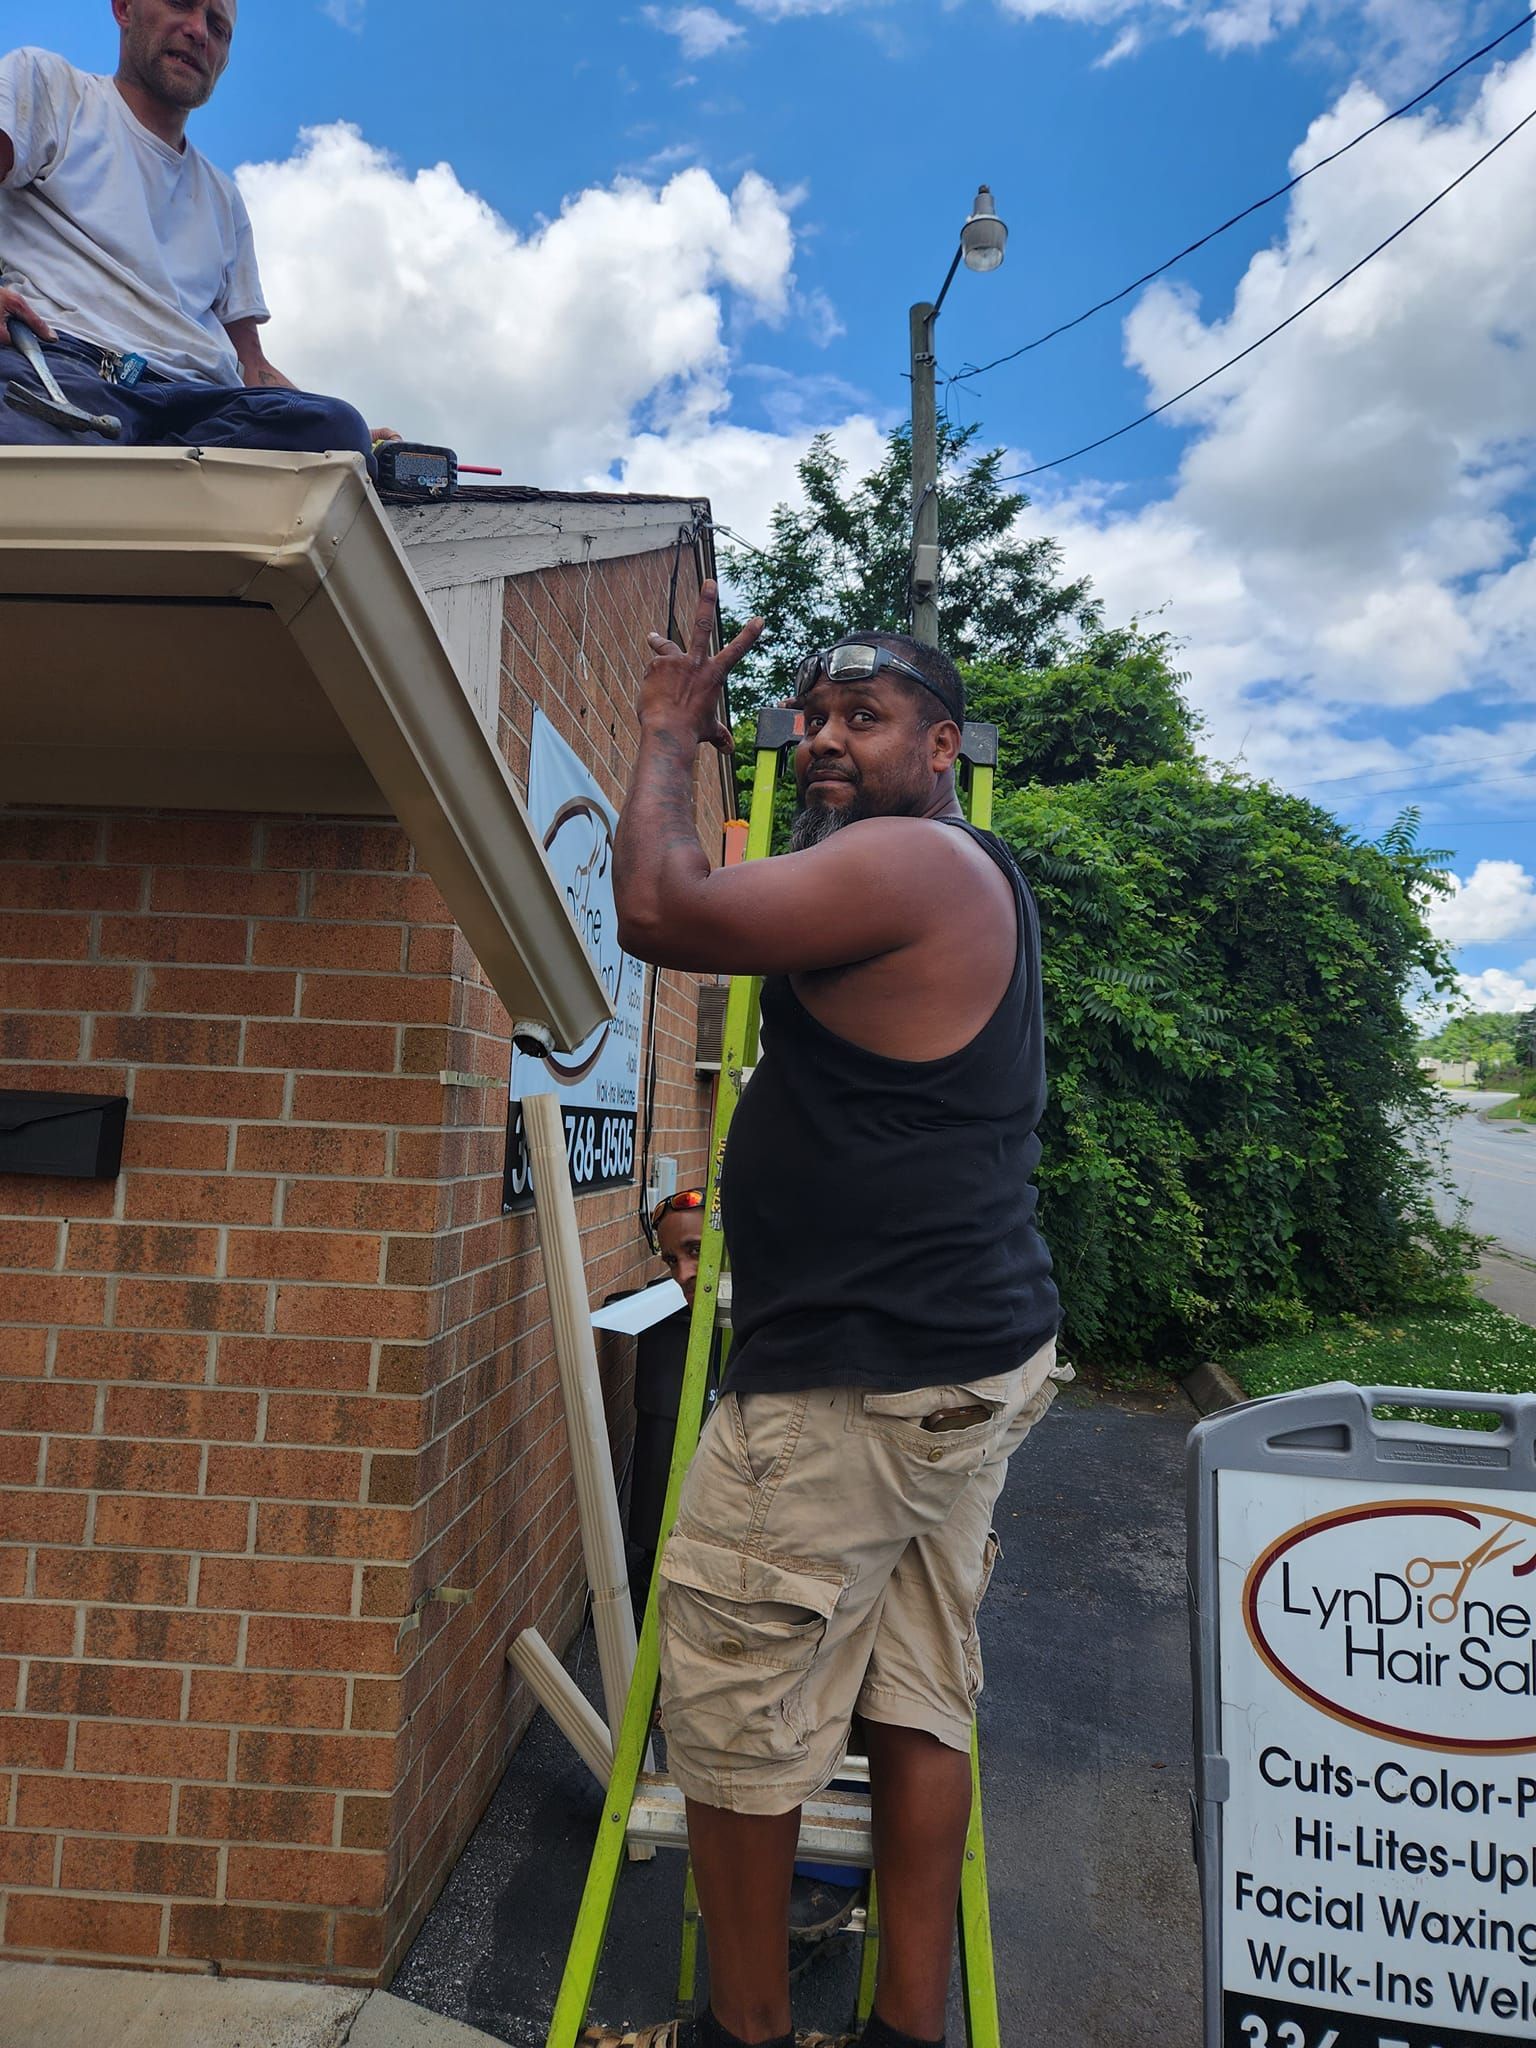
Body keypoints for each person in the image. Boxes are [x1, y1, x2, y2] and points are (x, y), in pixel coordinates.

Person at [606, 584, 1064, 2048]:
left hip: (852, 1392)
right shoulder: (932, 871)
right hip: (956, 1366)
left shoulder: (911, 864)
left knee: (738, 1723)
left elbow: (662, 908)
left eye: (863, 719)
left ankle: (736, 2039)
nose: (820, 740)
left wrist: (672, 733)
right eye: (809, 718)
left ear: (940, 748)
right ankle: (903, 2037)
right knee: (918, 1694)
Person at [0, 4, 386, 468]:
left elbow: (252, 366)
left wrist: (357, 441)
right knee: (29, 448)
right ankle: (139, 472)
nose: (199, 32)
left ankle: (138, 469)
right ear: (124, 8)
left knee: (336, 431)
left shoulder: (223, 198)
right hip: (64, 365)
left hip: (200, 406)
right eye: (182, 3)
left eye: (219, 28)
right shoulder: (51, 88)